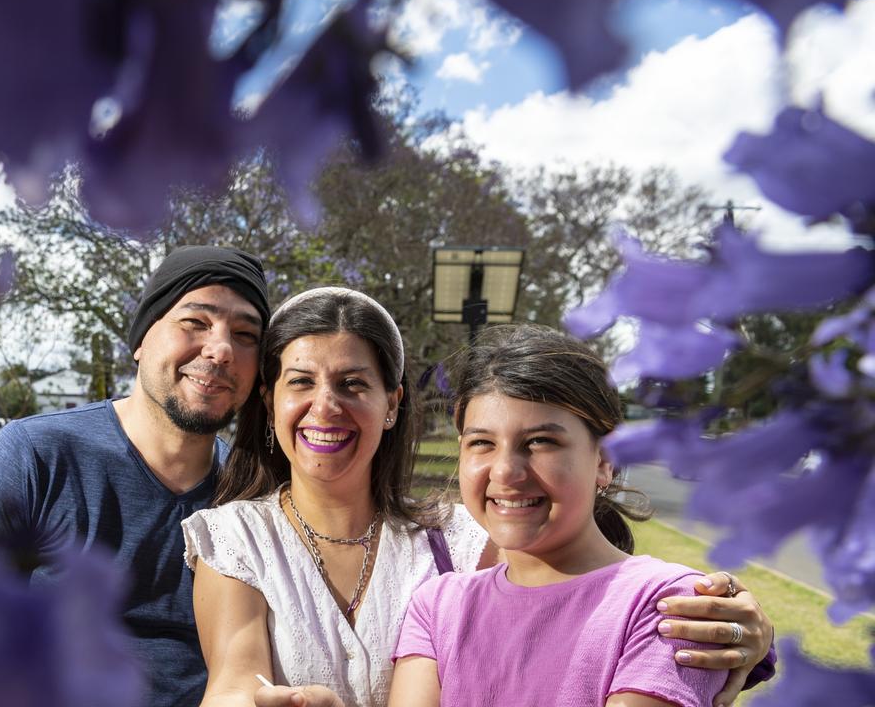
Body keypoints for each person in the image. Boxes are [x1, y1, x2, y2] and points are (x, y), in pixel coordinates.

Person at [182, 288, 773, 707]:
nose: (327, 406)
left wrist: (746, 633)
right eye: (301, 382)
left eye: (354, 383)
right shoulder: (434, 600)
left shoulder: (459, 540)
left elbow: (574, 590)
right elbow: (234, 681)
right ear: (270, 399)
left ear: (392, 404)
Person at [0, 245, 271, 707]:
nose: (221, 349)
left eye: (246, 334)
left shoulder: (252, 495)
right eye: (195, 322)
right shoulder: (36, 455)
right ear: (140, 341)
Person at [387, 324, 736, 706]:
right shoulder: (439, 606)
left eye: (540, 442)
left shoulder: (668, 604)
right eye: (482, 443)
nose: (505, 471)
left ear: (605, 460)